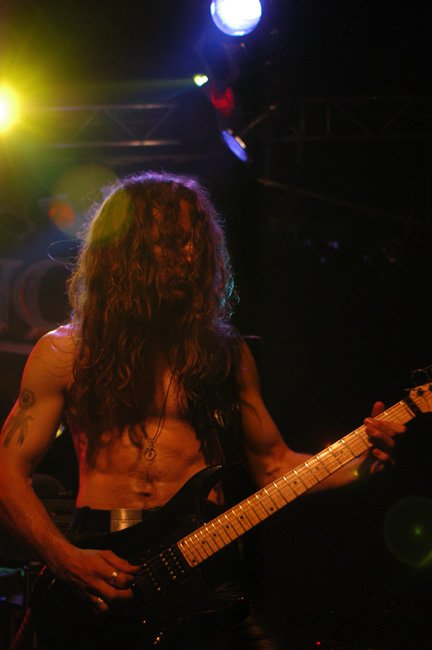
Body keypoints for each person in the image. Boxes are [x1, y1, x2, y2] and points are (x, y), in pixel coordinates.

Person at [0, 171, 405, 650]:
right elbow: (7, 471)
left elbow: (274, 464)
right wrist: (65, 558)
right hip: (102, 562)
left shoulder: (225, 356)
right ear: (127, 251)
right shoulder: (65, 353)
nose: (190, 254)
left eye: (197, 241)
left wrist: (360, 464)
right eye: (173, 241)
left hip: (204, 565)